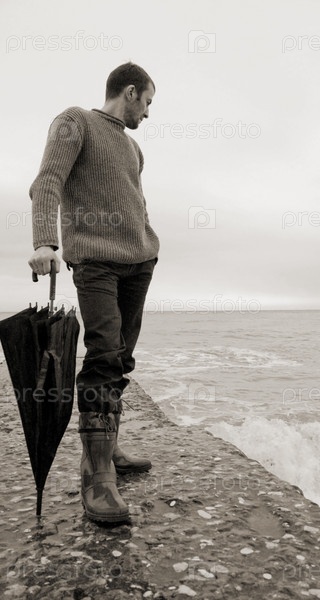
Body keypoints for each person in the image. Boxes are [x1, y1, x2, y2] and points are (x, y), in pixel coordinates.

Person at [28, 63, 160, 523]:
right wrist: (45, 241)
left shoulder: (134, 148)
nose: (148, 113)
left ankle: (109, 446)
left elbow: (136, 202)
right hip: (95, 262)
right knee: (103, 352)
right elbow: (47, 181)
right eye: (147, 102)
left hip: (139, 262)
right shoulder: (75, 121)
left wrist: (148, 243)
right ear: (130, 92)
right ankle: (96, 470)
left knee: (121, 357)